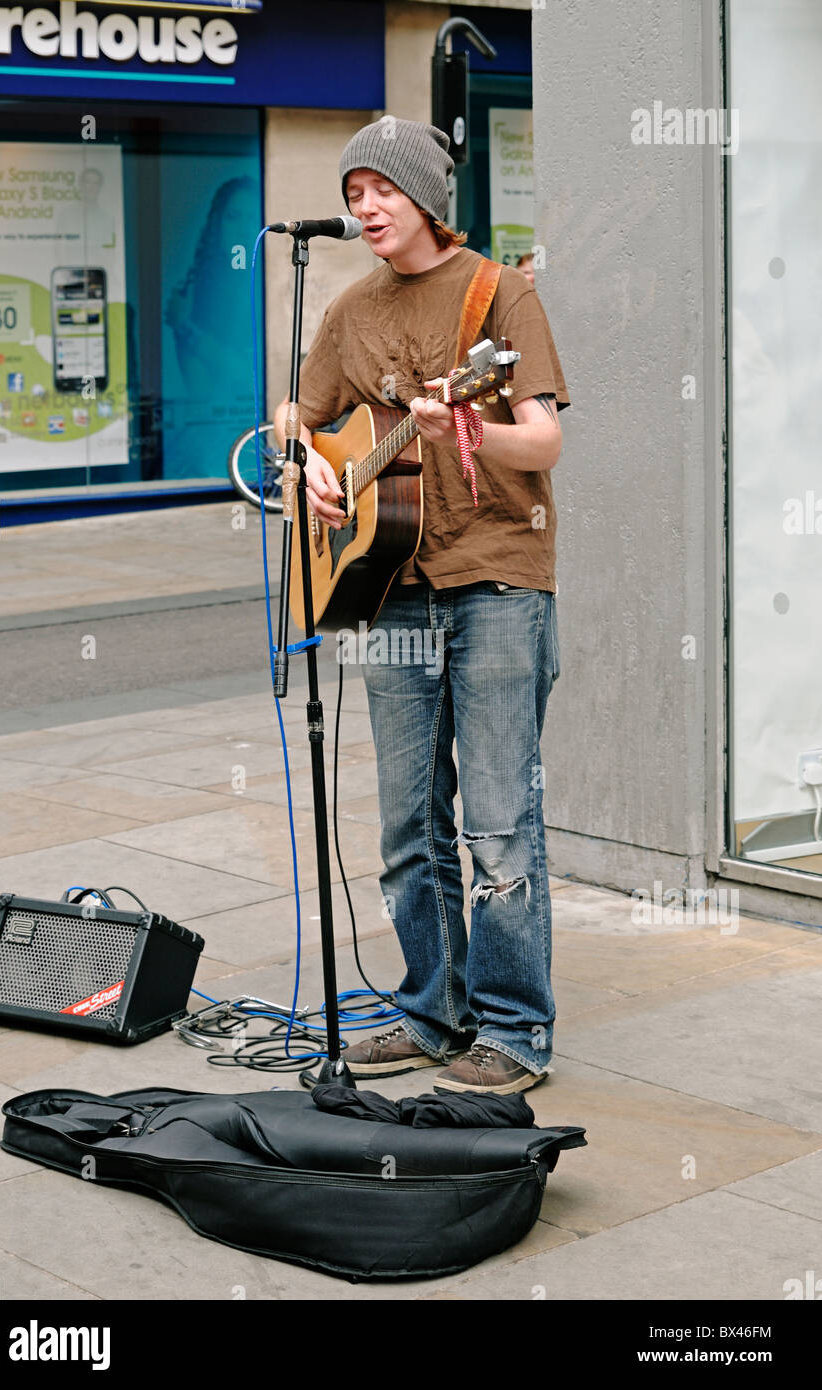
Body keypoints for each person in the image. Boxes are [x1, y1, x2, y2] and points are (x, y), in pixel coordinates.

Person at [273, 116, 570, 1094]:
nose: (363, 207)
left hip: (493, 581)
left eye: (379, 189)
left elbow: (541, 445)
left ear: (424, 197)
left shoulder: (498, 292)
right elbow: (297, 423)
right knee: (408, 825)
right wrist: (311, 476)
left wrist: (463, 422)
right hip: (388, 587)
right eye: (352, 192)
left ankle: (515, 1029)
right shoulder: (350, 310)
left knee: (495, 824)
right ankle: (433, 1010)